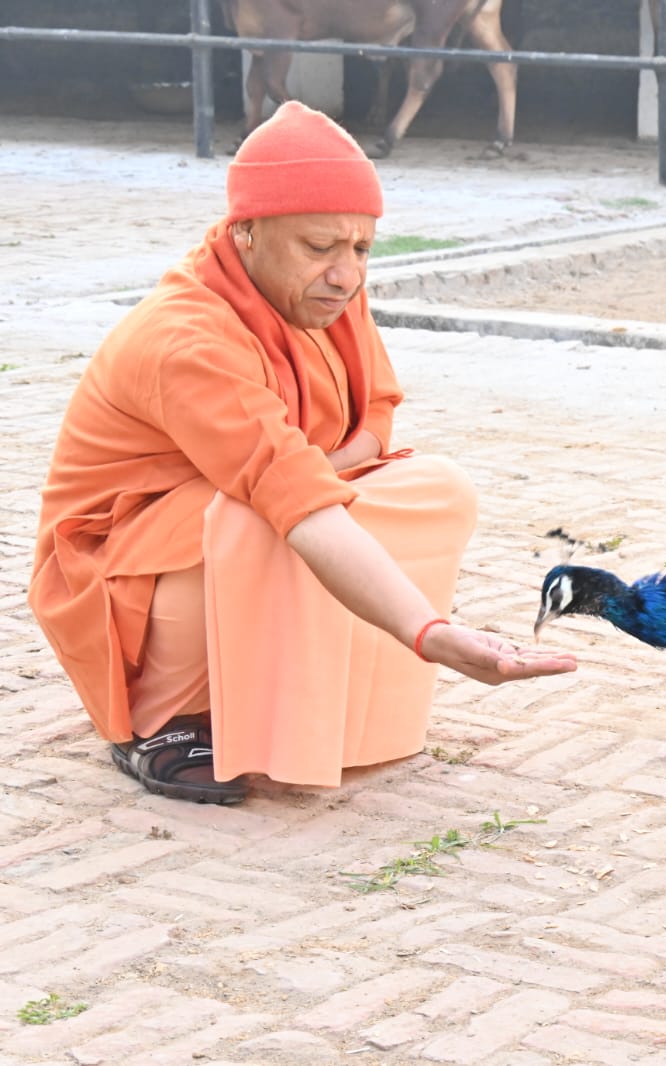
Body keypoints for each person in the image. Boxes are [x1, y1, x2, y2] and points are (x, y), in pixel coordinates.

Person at [28, 101, 576, 805]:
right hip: (126, 567)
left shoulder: (321, 288)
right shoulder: (187, 340)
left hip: (274, 493)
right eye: (321, 248)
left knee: (438, 489)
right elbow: (290, 500)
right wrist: (429, 633)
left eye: (361, 249)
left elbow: (375, 410)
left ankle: (320, 703)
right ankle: (159, 719)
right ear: (246, 234)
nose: (346, 275)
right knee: (261, 524)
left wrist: (321, 474)